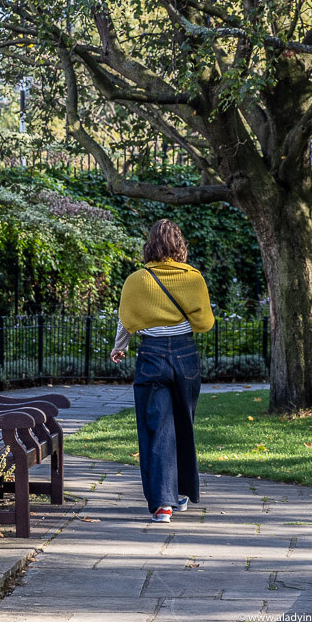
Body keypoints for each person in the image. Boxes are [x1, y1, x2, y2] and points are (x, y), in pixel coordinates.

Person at [111, 219, 215, 523]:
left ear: (150, 244)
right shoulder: (194, 278)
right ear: (179, 244)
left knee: (156, 428)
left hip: (152, 356)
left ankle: (162, 505)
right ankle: (180, 493)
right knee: (184, 424)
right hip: (185, 356)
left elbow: (126, 319)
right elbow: (206, 323)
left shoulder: (137, 280)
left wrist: (121, 347)